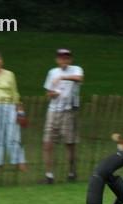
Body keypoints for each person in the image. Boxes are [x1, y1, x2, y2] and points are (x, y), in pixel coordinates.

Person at [42, 48, 84, 184]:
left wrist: (62, 77)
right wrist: (53, 94)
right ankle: (49, 175)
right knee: (48, 142)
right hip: (53, 110)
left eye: (66, 58)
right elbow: (48, 93)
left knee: (69, 142)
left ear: (70, 59)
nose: (63, 60)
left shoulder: (76, 69)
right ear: (57, 59)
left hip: (69, 110)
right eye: (61, 58)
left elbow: (79, 78)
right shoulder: (52, 72)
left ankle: (72, 172)